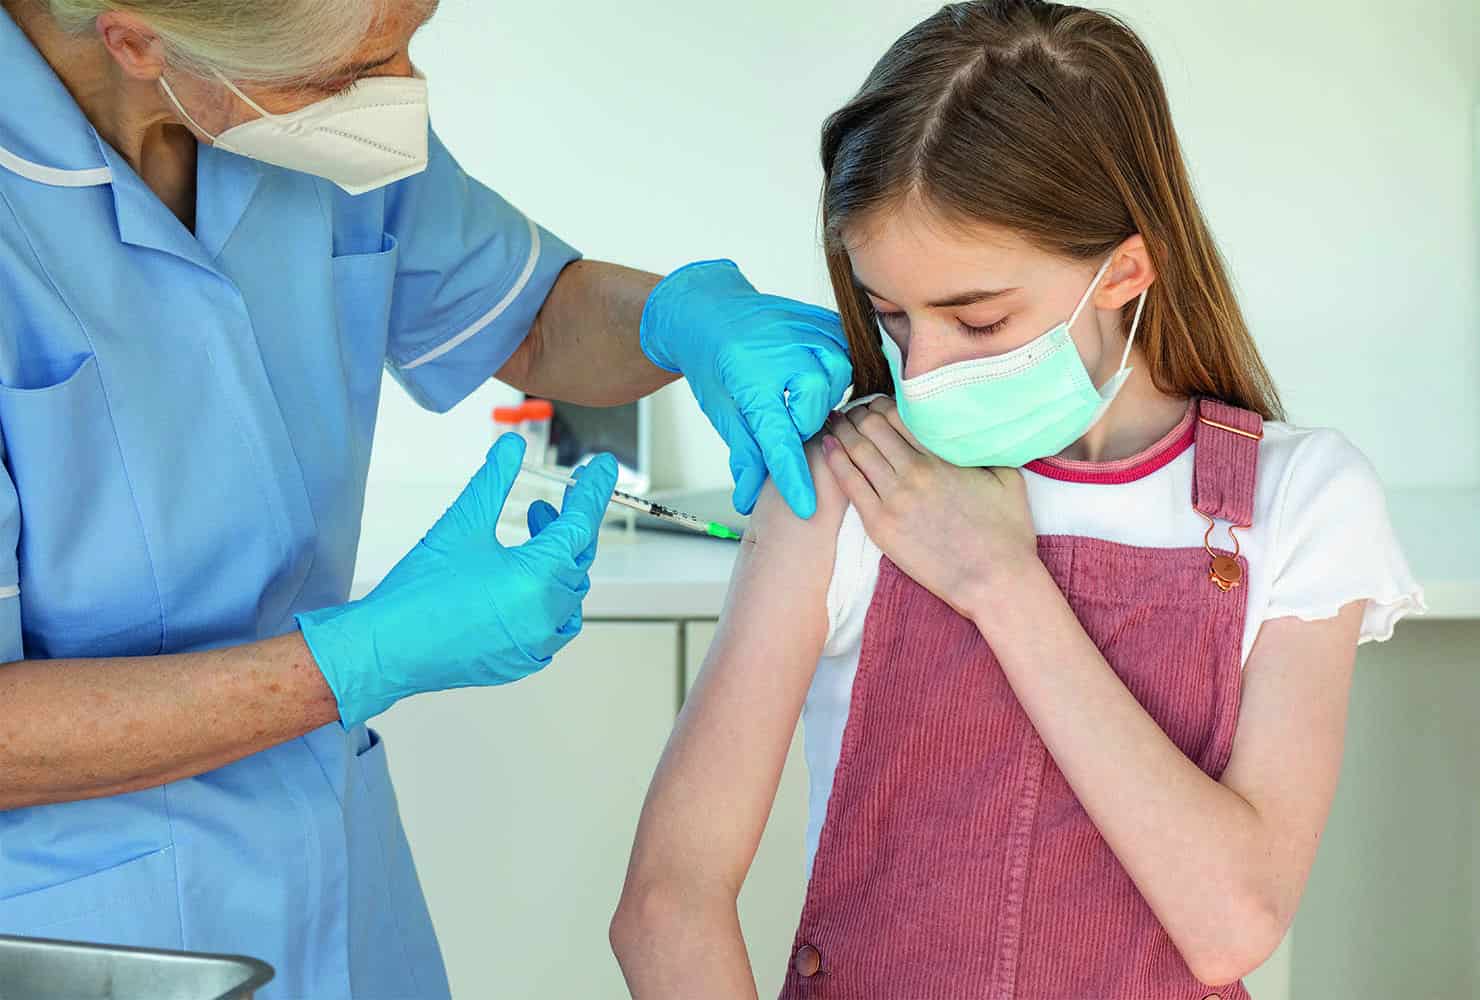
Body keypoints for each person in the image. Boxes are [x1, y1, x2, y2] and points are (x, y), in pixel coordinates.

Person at [0, 0, 850, 997]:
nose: (401, 92)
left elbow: (530, 317)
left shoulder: (279, 112)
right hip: (94, 926)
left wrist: (681, 317)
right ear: (138, 40)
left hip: (343, 872)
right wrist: (365, 655)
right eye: (350, 70)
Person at [611, 3, 1425, 997]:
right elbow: (667, 901)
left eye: (980, 320)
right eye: (893, 319)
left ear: (1125, 271)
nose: (929, 373)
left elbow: (1230, 919)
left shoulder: (1296, 501)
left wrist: (1000, 579)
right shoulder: (847, 484)